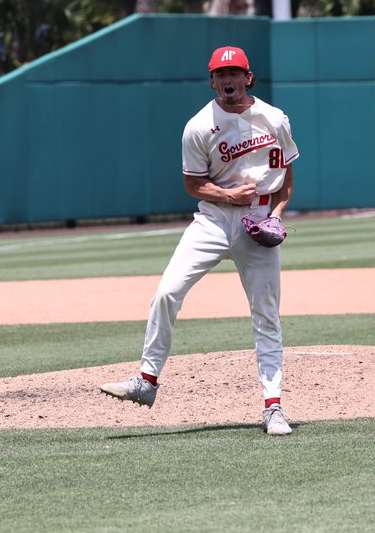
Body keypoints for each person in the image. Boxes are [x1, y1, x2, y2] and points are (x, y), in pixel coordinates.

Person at [100, 45, 299, 436]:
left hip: (258, 219)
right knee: (166, 292)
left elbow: (286, 182)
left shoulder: (275, 120)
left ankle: (273, 407)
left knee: (266, 313)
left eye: (235, 73)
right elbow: (192, 182)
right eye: (220, 74)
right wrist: (228, 198)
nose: (228, 80)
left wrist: (275, 218)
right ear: (212, 81)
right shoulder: (198, 126)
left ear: (248, 78)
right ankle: (147, 381)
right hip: (212, 221)